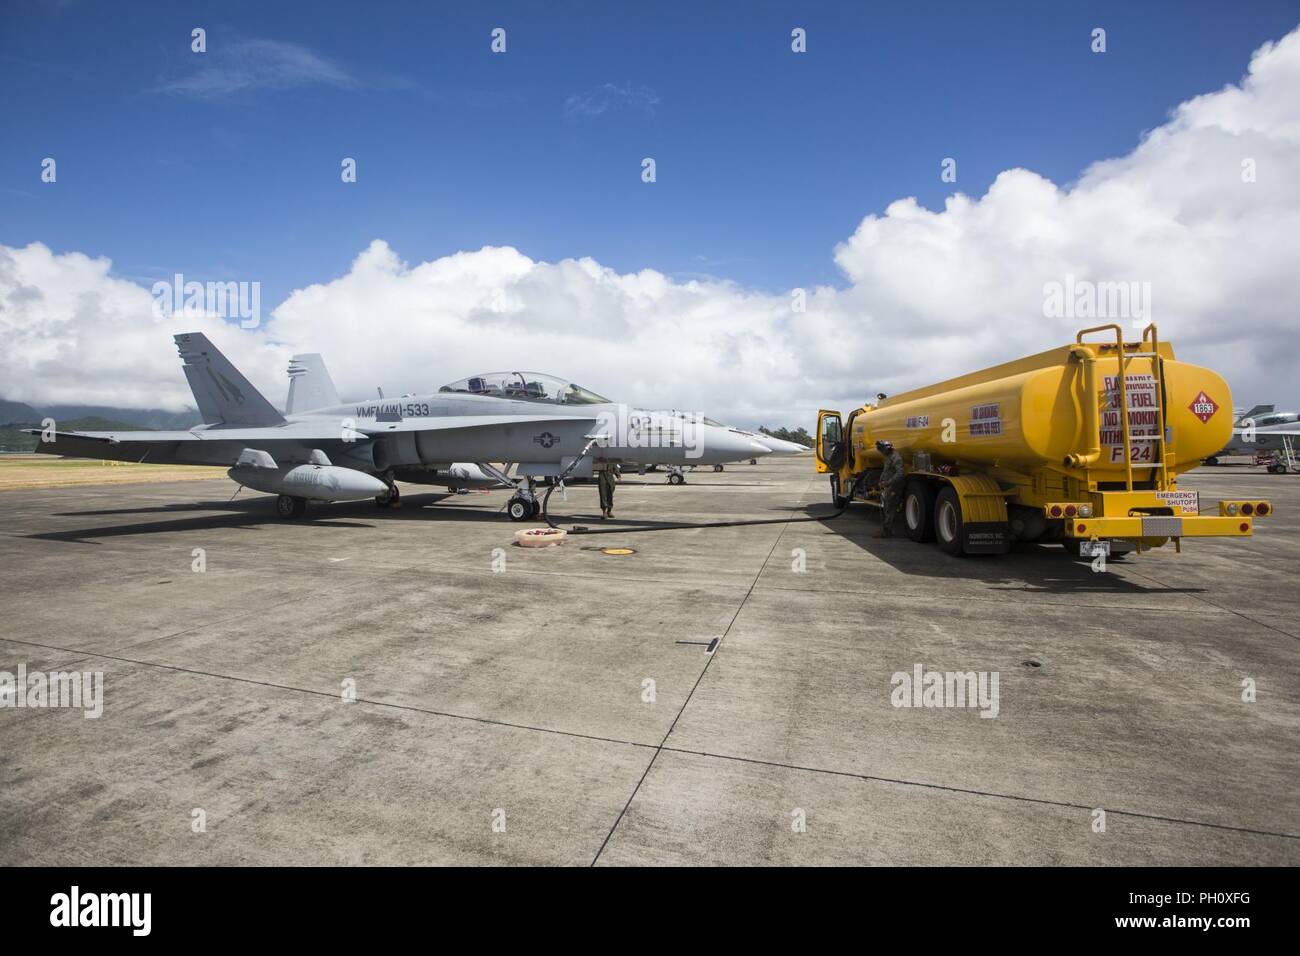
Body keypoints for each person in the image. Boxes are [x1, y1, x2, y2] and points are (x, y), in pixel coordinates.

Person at [874, 439, 906, 538]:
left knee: (890, 509)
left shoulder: (896, 458)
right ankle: (886, 530)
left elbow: (900, 474)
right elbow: (886, 471)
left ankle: (887, 531)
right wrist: (881, 481)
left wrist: (888, 482)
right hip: (889, 487)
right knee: (887, 508)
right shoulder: (888, 457)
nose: (881, 452)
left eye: (882, 450)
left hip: (894, 487)